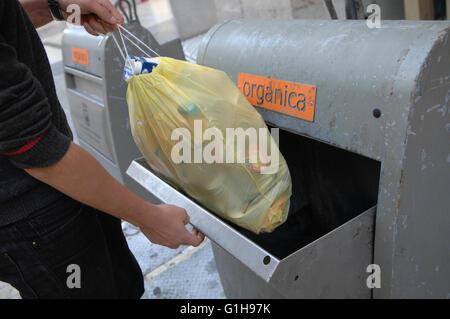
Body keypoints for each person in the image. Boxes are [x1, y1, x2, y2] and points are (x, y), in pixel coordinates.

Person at [0, 0, 204, 299]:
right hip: (31, 216)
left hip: (63, 183)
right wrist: (149, 218)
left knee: (122, 285)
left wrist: (56, 7)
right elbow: (34, 147)